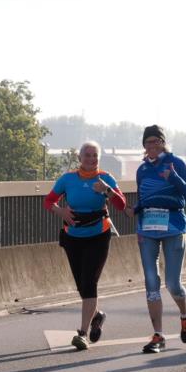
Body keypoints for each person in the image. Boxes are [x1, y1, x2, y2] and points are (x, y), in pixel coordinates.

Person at [124, 125, 186, 353]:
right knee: (151, 282)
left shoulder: (177, 164)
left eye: (156, 141)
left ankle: (185, 315)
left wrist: (174, 178)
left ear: (163, 142)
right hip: (147, 229)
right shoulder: (142, 170)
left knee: (172, 284)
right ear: (144, 146)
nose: (152, 146)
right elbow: (144, 199)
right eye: (148, 142)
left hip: (174, 227)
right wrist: (136, 216)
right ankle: (158, 335)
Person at [44, 141, 127, 350]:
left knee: (89, 282)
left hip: (98, 235)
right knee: (82, 285)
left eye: (95, 155)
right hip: (73, 236)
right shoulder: (68, 179)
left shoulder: (106, 178)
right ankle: (96, 315)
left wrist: (107, 191)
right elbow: (48, 201)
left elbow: (121, 204)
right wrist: (61, 211)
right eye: (87, 155)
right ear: (80, 158)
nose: (91, 159)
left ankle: (81, 333)